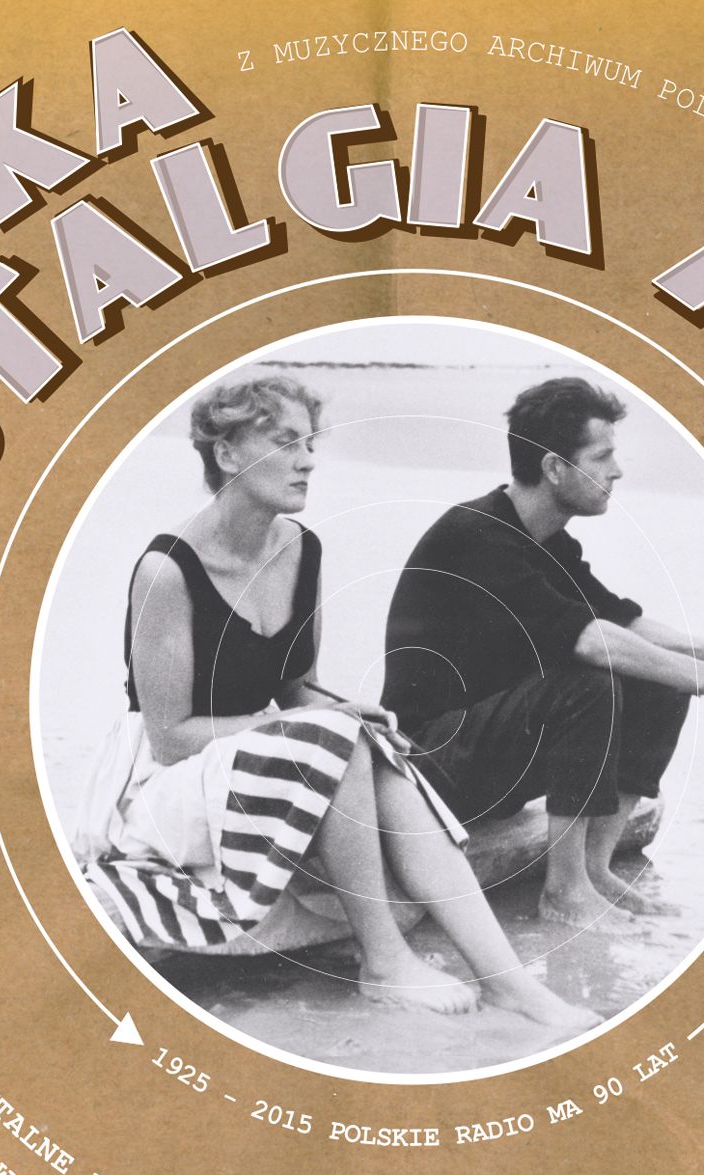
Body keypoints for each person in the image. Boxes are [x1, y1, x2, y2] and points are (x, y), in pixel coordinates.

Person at [82, 372, 595, 1032]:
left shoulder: (301, 549)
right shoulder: (167, 571)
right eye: (284, 443)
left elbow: (297, 687)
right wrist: (317, 723)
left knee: (365, 741)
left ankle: (511, 986)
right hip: (161, 786)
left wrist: (346, 712)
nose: (307, 460)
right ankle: (385, 961)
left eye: (310, 443)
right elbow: (169, 735)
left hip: (248, 762)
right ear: (227, 453)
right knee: (332, 736)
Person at [381, 376, 704, 933]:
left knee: (658, 679)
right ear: (554, 467)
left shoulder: (547, 540)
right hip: (425, 766)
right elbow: (591, 640)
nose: (617, 471)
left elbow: (617, 619)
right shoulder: (477, 536)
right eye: (602, 456)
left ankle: (594, 871)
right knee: (588, 682)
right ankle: (565, 892)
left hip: (487, 755)